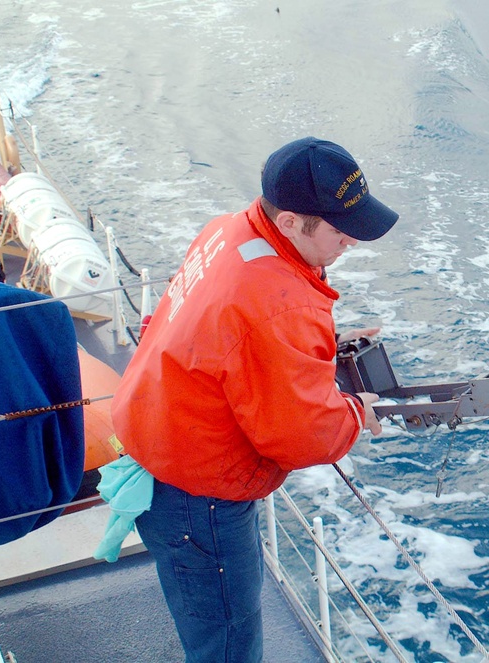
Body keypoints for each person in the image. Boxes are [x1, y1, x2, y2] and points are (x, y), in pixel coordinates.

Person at [110, 136, 398, 662]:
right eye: (339, 230)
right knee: (227, 639)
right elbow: (303, 435)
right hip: (199, 499)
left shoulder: (228, 230)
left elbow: (223, 330)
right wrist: (356, 413)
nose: (349, 243)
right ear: (289, 221)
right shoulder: (278, 305)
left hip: (159, 446)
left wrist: (309, 350)